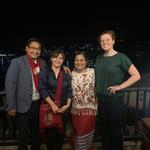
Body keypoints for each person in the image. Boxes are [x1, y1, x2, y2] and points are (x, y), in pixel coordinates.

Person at [95, 30, 141, 150]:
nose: (105, 42)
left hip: (115, 99)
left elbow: (136, 75)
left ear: (113, 41)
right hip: (101, 99)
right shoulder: (99, 58)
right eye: (102, 41)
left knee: (115, 131)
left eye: (107, 40)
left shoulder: (121, 57)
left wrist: (120, 87)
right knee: (104, 130)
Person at [5, 38, 46, 150]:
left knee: (36, 133)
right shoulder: (17, 62)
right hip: (22, 106)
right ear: (26, 49)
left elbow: (50, 73)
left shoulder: (42, 62)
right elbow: (10, 85)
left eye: (38, 49)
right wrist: (11, 106)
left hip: (38, 104)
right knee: (22, 135)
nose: (35, 51)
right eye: (33, 48)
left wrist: (64, 68)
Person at [39, 49, 72, 150]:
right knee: (51, 136)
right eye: (55, 57)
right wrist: (52, 105)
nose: (58, 60)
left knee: (60, 134)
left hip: (64, 108)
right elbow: (42, 89)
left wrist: (67, 105)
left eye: (60, 58)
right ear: (51, 58)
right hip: (50, 107)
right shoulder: (45, 71)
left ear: (63, 60)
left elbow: (70, 90)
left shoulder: (66, 72)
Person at [71, 51, 98, 150]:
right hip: (76, 111)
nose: (79, 62)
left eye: (82, 60)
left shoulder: (93, 72)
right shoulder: (71, 73)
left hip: (89, 111)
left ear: (86, 61)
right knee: (77, 134)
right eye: (76, 60)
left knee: (84, 133)